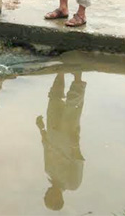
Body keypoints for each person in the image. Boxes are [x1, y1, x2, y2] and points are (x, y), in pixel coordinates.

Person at [36, 72, 87, 211]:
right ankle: (78, 74)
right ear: (58, 199)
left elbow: (46, 148)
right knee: (72, 106)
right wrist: (75, 143)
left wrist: (41, 129)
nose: (46, 193)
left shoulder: (49, 171)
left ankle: (61, 71)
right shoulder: (72, 184)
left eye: (45, 196)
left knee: (54, 99)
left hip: (52, 132)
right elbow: (78, 161)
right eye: (48, 197)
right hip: (67, 137)